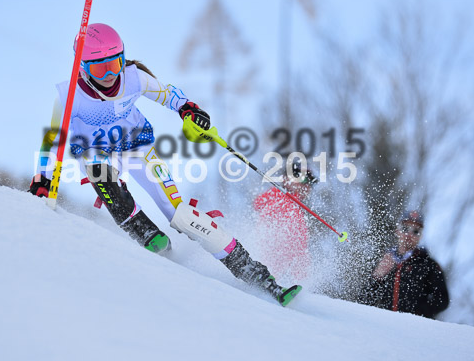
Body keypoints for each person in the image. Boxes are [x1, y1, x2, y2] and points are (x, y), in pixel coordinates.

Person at [28, 23, 300, 306]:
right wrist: (43, 178)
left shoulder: (134, 79)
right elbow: (53, 140)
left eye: (115, 64)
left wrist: (189, 110)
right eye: (100, 69)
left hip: (136, 147)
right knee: (100, 174)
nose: (110, 76)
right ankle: (144, 231)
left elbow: (169, 95)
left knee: (180, 214)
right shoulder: (68, 95)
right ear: (83, 68)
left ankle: (257, 274)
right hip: (96, 152)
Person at [364, 210, 449, 319]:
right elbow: (364, 300)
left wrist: (417, 314)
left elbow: (442, 300)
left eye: (415, 231)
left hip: (414, 329)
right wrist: (377, 276)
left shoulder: (429, 264)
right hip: (384, 326)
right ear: (397, 231)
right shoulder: (384, 260)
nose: (409, 234)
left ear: (421, 236)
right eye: (405, 229)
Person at [253, 162, 317, 281]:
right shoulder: (278, 194)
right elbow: (258, 203)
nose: (307, 186)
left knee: (302, 263)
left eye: (310, 183)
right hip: (274, 250)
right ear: (286, 179)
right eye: (302, 180)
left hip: (294, 261)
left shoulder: (298, 206)